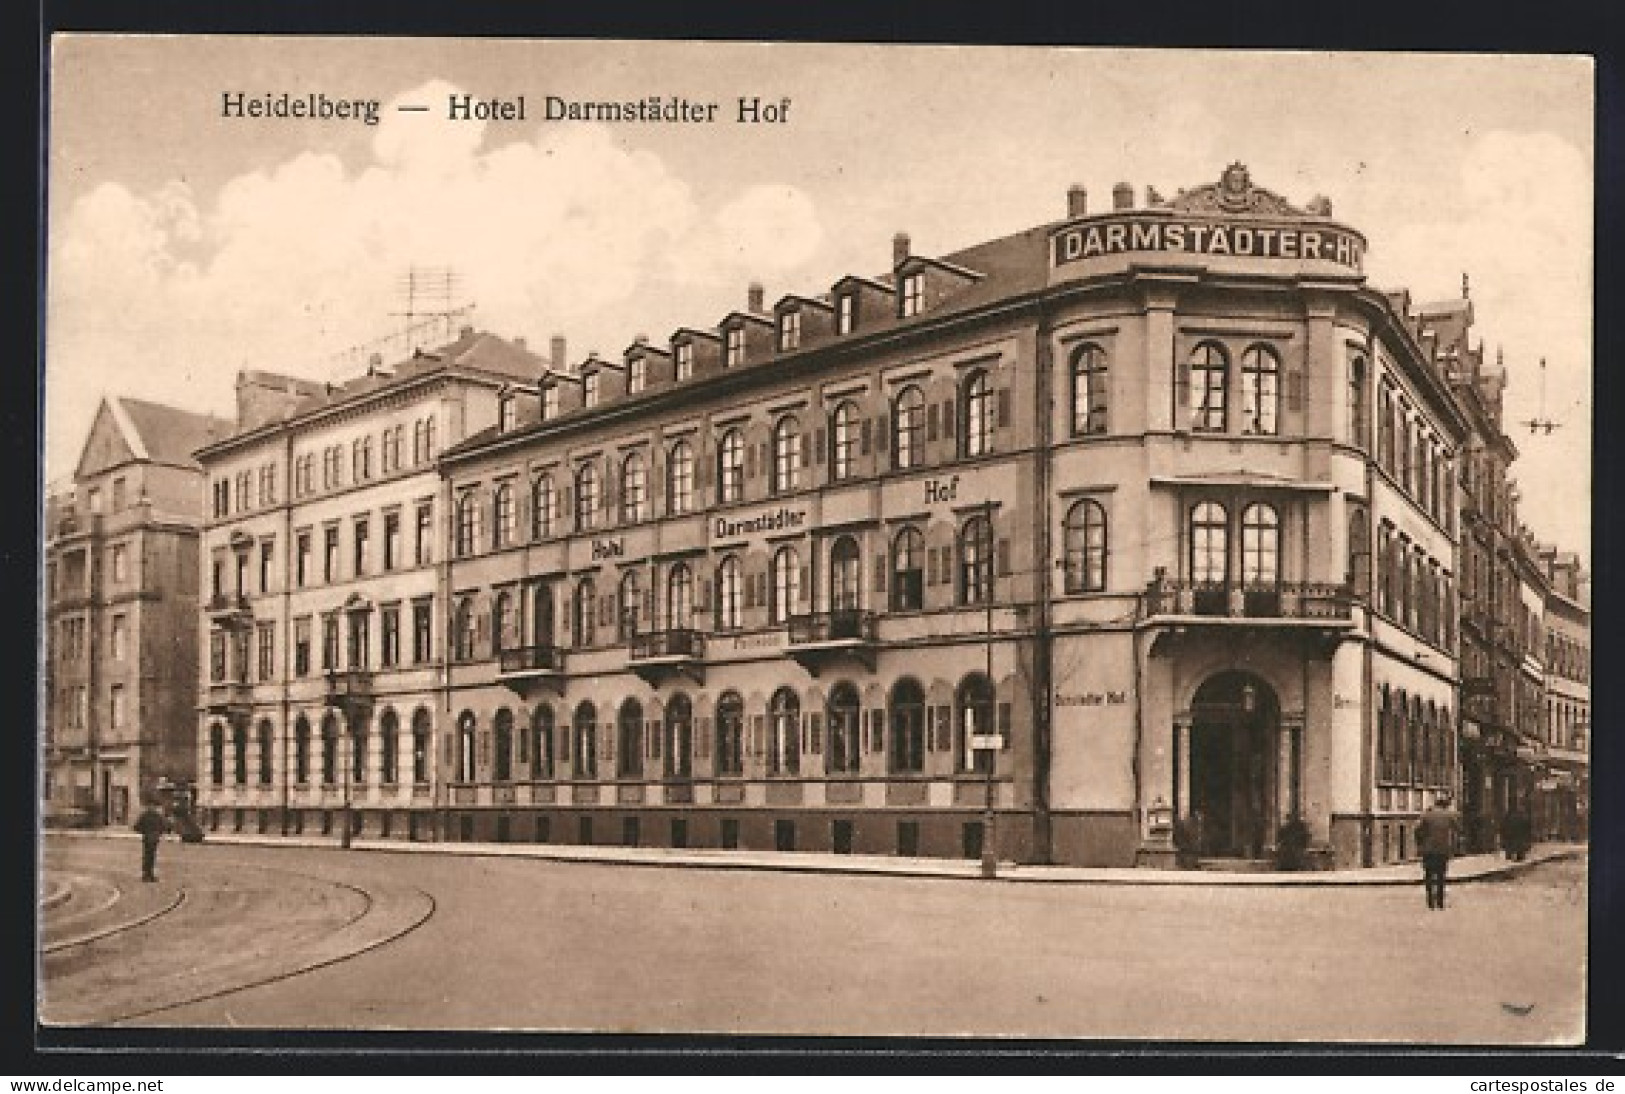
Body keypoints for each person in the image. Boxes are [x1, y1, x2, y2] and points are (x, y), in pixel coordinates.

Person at [1415, 792, 1462, 910]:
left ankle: (1430, 901)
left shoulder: (1426, 814)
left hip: (1428, 850)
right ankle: (1440, 902)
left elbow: (1417, 830)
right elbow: (1458, 829)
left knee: (1429, 875)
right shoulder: (1449, 815)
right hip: (1442, 850)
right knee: (1441, 876)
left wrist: (1420, 844)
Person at [132, 798, 168, 882]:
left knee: (147, 856)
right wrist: (158, 833)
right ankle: (149, 874)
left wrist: (144, 832)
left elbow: (136, 827)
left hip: (147, 838)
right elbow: (164, 827)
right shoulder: (157, 816)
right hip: (154, 838)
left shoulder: (145, 815)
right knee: (151, 856)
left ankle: (146, 875)